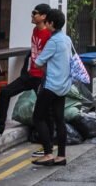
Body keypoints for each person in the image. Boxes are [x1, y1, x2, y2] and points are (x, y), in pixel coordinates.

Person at [0, 4, 52, 135]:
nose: (31, 15)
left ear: (43, 16)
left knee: (44, 110)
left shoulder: (49, 35)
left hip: (42, 77)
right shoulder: (35, 30)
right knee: (5, 92)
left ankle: (50, 140)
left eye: (34, 13)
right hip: (30, 75)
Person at [31, 9, 72, 167]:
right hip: (63, 85)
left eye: (47, 21)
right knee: (59, 119)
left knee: (38, 117)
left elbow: (38, 62)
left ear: (51, 24)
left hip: (51, 86)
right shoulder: (66, 39)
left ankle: (48, 153)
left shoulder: (53, 41)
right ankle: (61, 156)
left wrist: (46, 67)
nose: (45, 23)